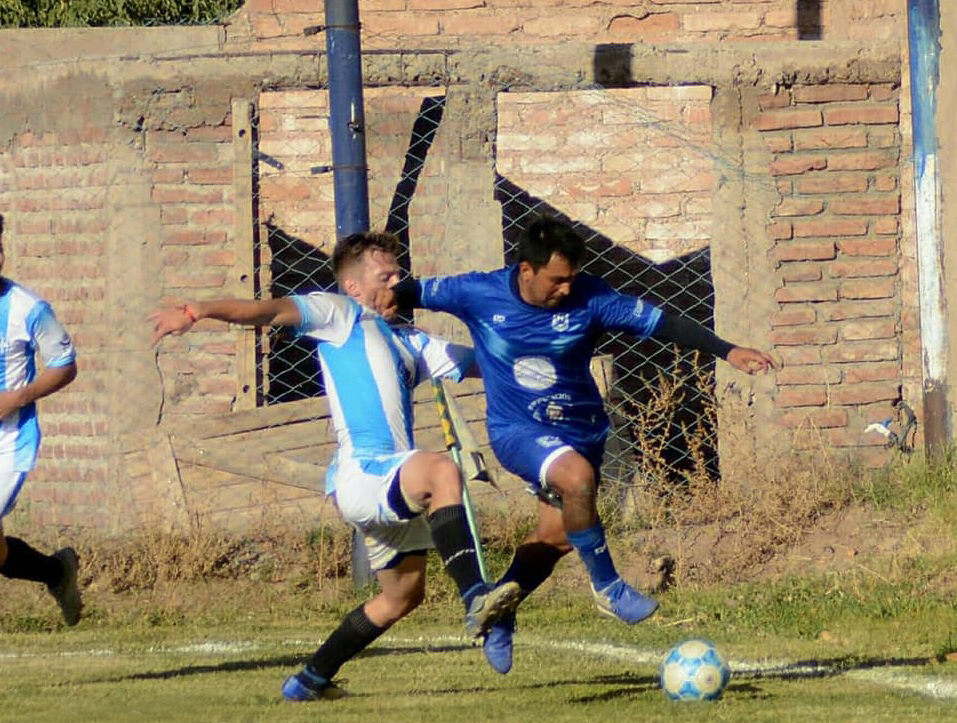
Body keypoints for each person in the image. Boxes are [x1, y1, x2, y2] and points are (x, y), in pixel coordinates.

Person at [378, 216, 777, 674]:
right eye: (557, 279)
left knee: (557, 537)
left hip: (582, 429)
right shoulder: (477, 292)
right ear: (526, 270)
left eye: (572, 278)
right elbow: (409, 292)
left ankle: (498, 611)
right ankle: (609, 589)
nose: (567, 288)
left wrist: (727, 350)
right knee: (576, 477)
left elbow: (661, 322)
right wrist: (375, 302)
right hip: (517, 430)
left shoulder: (592, 297)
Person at [149, 231, 522, 702]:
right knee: (443, 471)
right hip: (365, 474)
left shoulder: (410, 342)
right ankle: (476, 597)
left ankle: (308, 681)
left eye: (399, 275)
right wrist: (194, 311)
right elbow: (265, 311)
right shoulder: (339, 315)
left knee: (400, 598)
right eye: (384, 276)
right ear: (353, 287)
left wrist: (536, 342)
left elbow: (487, 365)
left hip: (391, 481)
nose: (396, 284)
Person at [0, 212, 82, 626]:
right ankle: (56, 572)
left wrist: (17, 397)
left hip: (8, 442)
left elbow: (64, 364)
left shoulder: (28, 309)